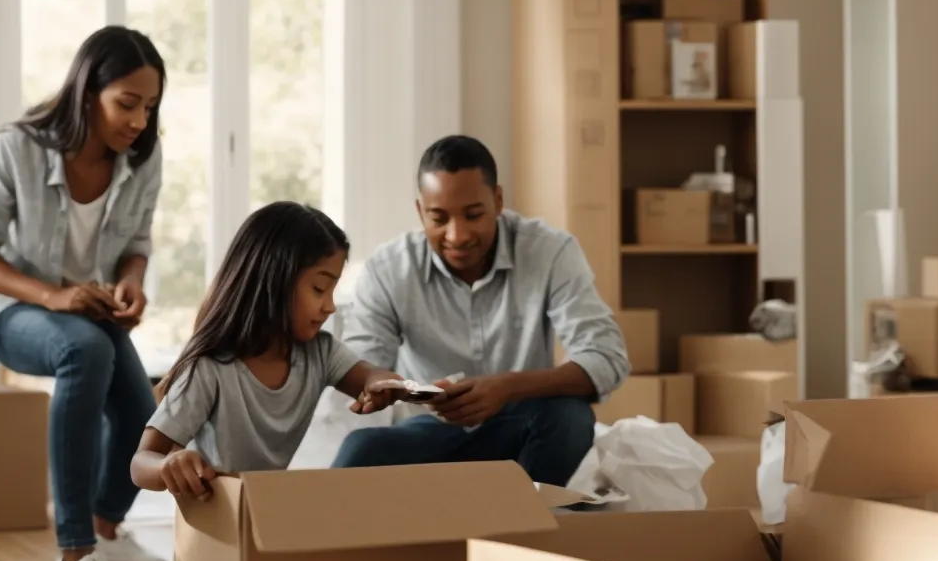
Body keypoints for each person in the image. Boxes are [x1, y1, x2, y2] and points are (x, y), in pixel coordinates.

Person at [0, 25, 169, 561]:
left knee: (143, 413)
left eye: (149, 107)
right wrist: (52, 297)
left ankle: (104, 529)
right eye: (127, 103)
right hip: (15, 315)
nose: (139, 121)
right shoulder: (16, 148)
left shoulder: (143, 157)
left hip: (92, 318)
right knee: (86, 350)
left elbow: (137, 243)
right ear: (87, 92)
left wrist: (131, 282)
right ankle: (74, 556)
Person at [331, 135, 629, 486]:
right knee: (362, 448)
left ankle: (521, 517)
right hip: (427, 431)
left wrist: (507, 387)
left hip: (520, 428)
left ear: (498, 201)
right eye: (439, 218)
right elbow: (362, 364)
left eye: (473, 215)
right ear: (420, 211)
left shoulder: (550, 251)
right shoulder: (388, 267)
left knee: (571, 418)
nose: (457, 235)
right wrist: (384, 385)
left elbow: (606, 358)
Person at [130, 202, 431, 500]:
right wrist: (168, 466)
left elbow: (370, 377)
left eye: (332, 290)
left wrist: (394, 385)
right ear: (274, 281)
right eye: (319, 288)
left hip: (267, 510)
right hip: (215, 517)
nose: (330, 306)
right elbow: (141, 463)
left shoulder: (321, 353)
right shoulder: (209, 369)